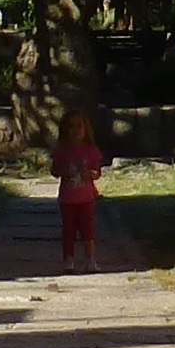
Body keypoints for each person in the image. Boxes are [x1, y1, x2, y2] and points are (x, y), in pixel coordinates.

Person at [49, 109, 104, 272]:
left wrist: (91, 174)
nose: (75, 130)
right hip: (67, 198)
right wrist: (63, 171)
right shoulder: (61, 150)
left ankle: (91, 259)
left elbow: (97, 172)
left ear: (86, 129)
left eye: (79, 126)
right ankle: (69, 259)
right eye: (70, 127)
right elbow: (54, 170)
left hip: (86, 198)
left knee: (88, 230)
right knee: (68, 230)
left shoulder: (91, 150)